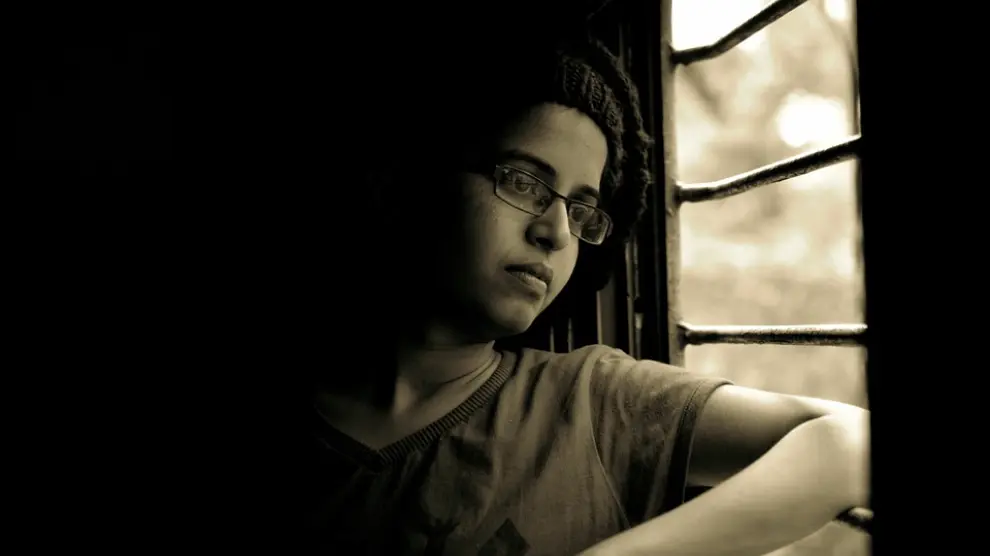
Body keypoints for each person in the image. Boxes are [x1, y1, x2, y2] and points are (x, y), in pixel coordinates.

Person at [307, 24, 870, 556]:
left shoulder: (594, 404)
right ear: (413, 181)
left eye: (581, 209)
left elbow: (853, 441)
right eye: (524, 182)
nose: (555, 231)